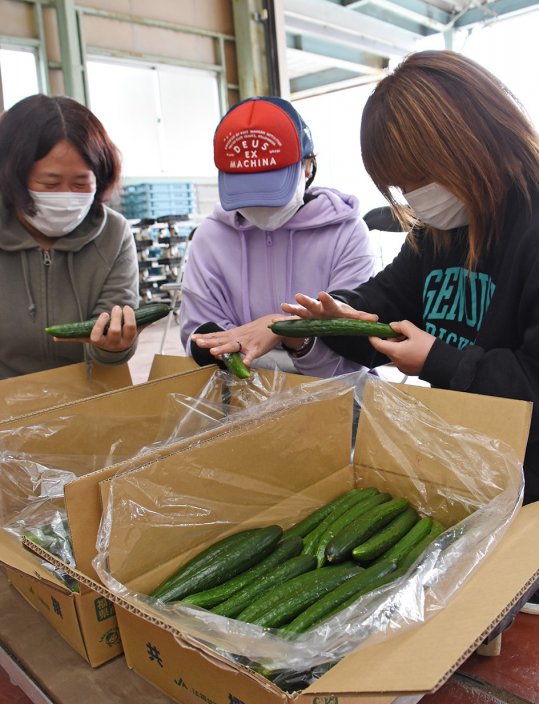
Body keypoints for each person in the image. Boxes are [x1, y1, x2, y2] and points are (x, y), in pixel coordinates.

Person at [279, 49, 539, 511]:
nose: (417, 199)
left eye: (421, 177)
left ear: (471, 141)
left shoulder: (530, 228)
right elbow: (385, 301)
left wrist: (440, 360)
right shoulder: (436, 236)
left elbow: (532, 381)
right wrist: (333, 314)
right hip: (476, 469)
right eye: (401, 188)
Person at [179, 96, 375, 378]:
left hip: (334, 396)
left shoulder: (346, 233)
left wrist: (290, 333)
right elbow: (199, 332)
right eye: (245, 190)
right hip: (239, 394)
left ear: (308, 166)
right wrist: (220, 346)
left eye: (271, 190)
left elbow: (349, 353)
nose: (260, 204)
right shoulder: (210, 236)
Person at [0, 94, 139, 379]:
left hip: (86, 396)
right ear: (12, 176)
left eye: (80, 183)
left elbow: (108, 346)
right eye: (49, 183)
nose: (65, 197)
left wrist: (113, 346)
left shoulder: (114, 234)